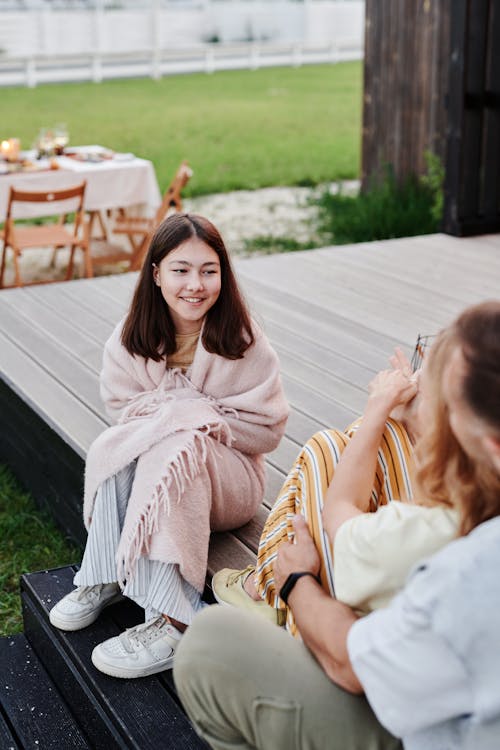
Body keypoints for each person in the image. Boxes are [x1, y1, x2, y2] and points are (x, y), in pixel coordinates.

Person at [174, 300, 500, 750]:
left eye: (444, 408)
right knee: (338, 445)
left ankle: (269, 587)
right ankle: (262, 583)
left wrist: (298, 582)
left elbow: (349, 661)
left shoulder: (453, 556)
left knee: (209, 645)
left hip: (416, 719)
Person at [49, 213, 289, 679]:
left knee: (176, 442)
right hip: (159, 472)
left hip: (230, 478)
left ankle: (174, 620)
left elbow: (267, 430)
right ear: (156, 274)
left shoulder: (243, 341)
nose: (195, 285)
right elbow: (124, 409)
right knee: (117, 444)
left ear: (223, 273)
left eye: (208, 270)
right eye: (180, 270)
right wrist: (181, 411)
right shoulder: (129, 338)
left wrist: (189, 418)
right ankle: (105, 572)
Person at [212, 348, 458, 634]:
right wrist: (405, 416)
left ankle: (270, 586)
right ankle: (266, 583)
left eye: (429, 390)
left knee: (328, 447)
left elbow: (340, 510)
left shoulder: (445, 529)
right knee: (377, 434)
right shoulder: (472, 490)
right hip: (409, 601)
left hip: (347, 643)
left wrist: (379, 407)